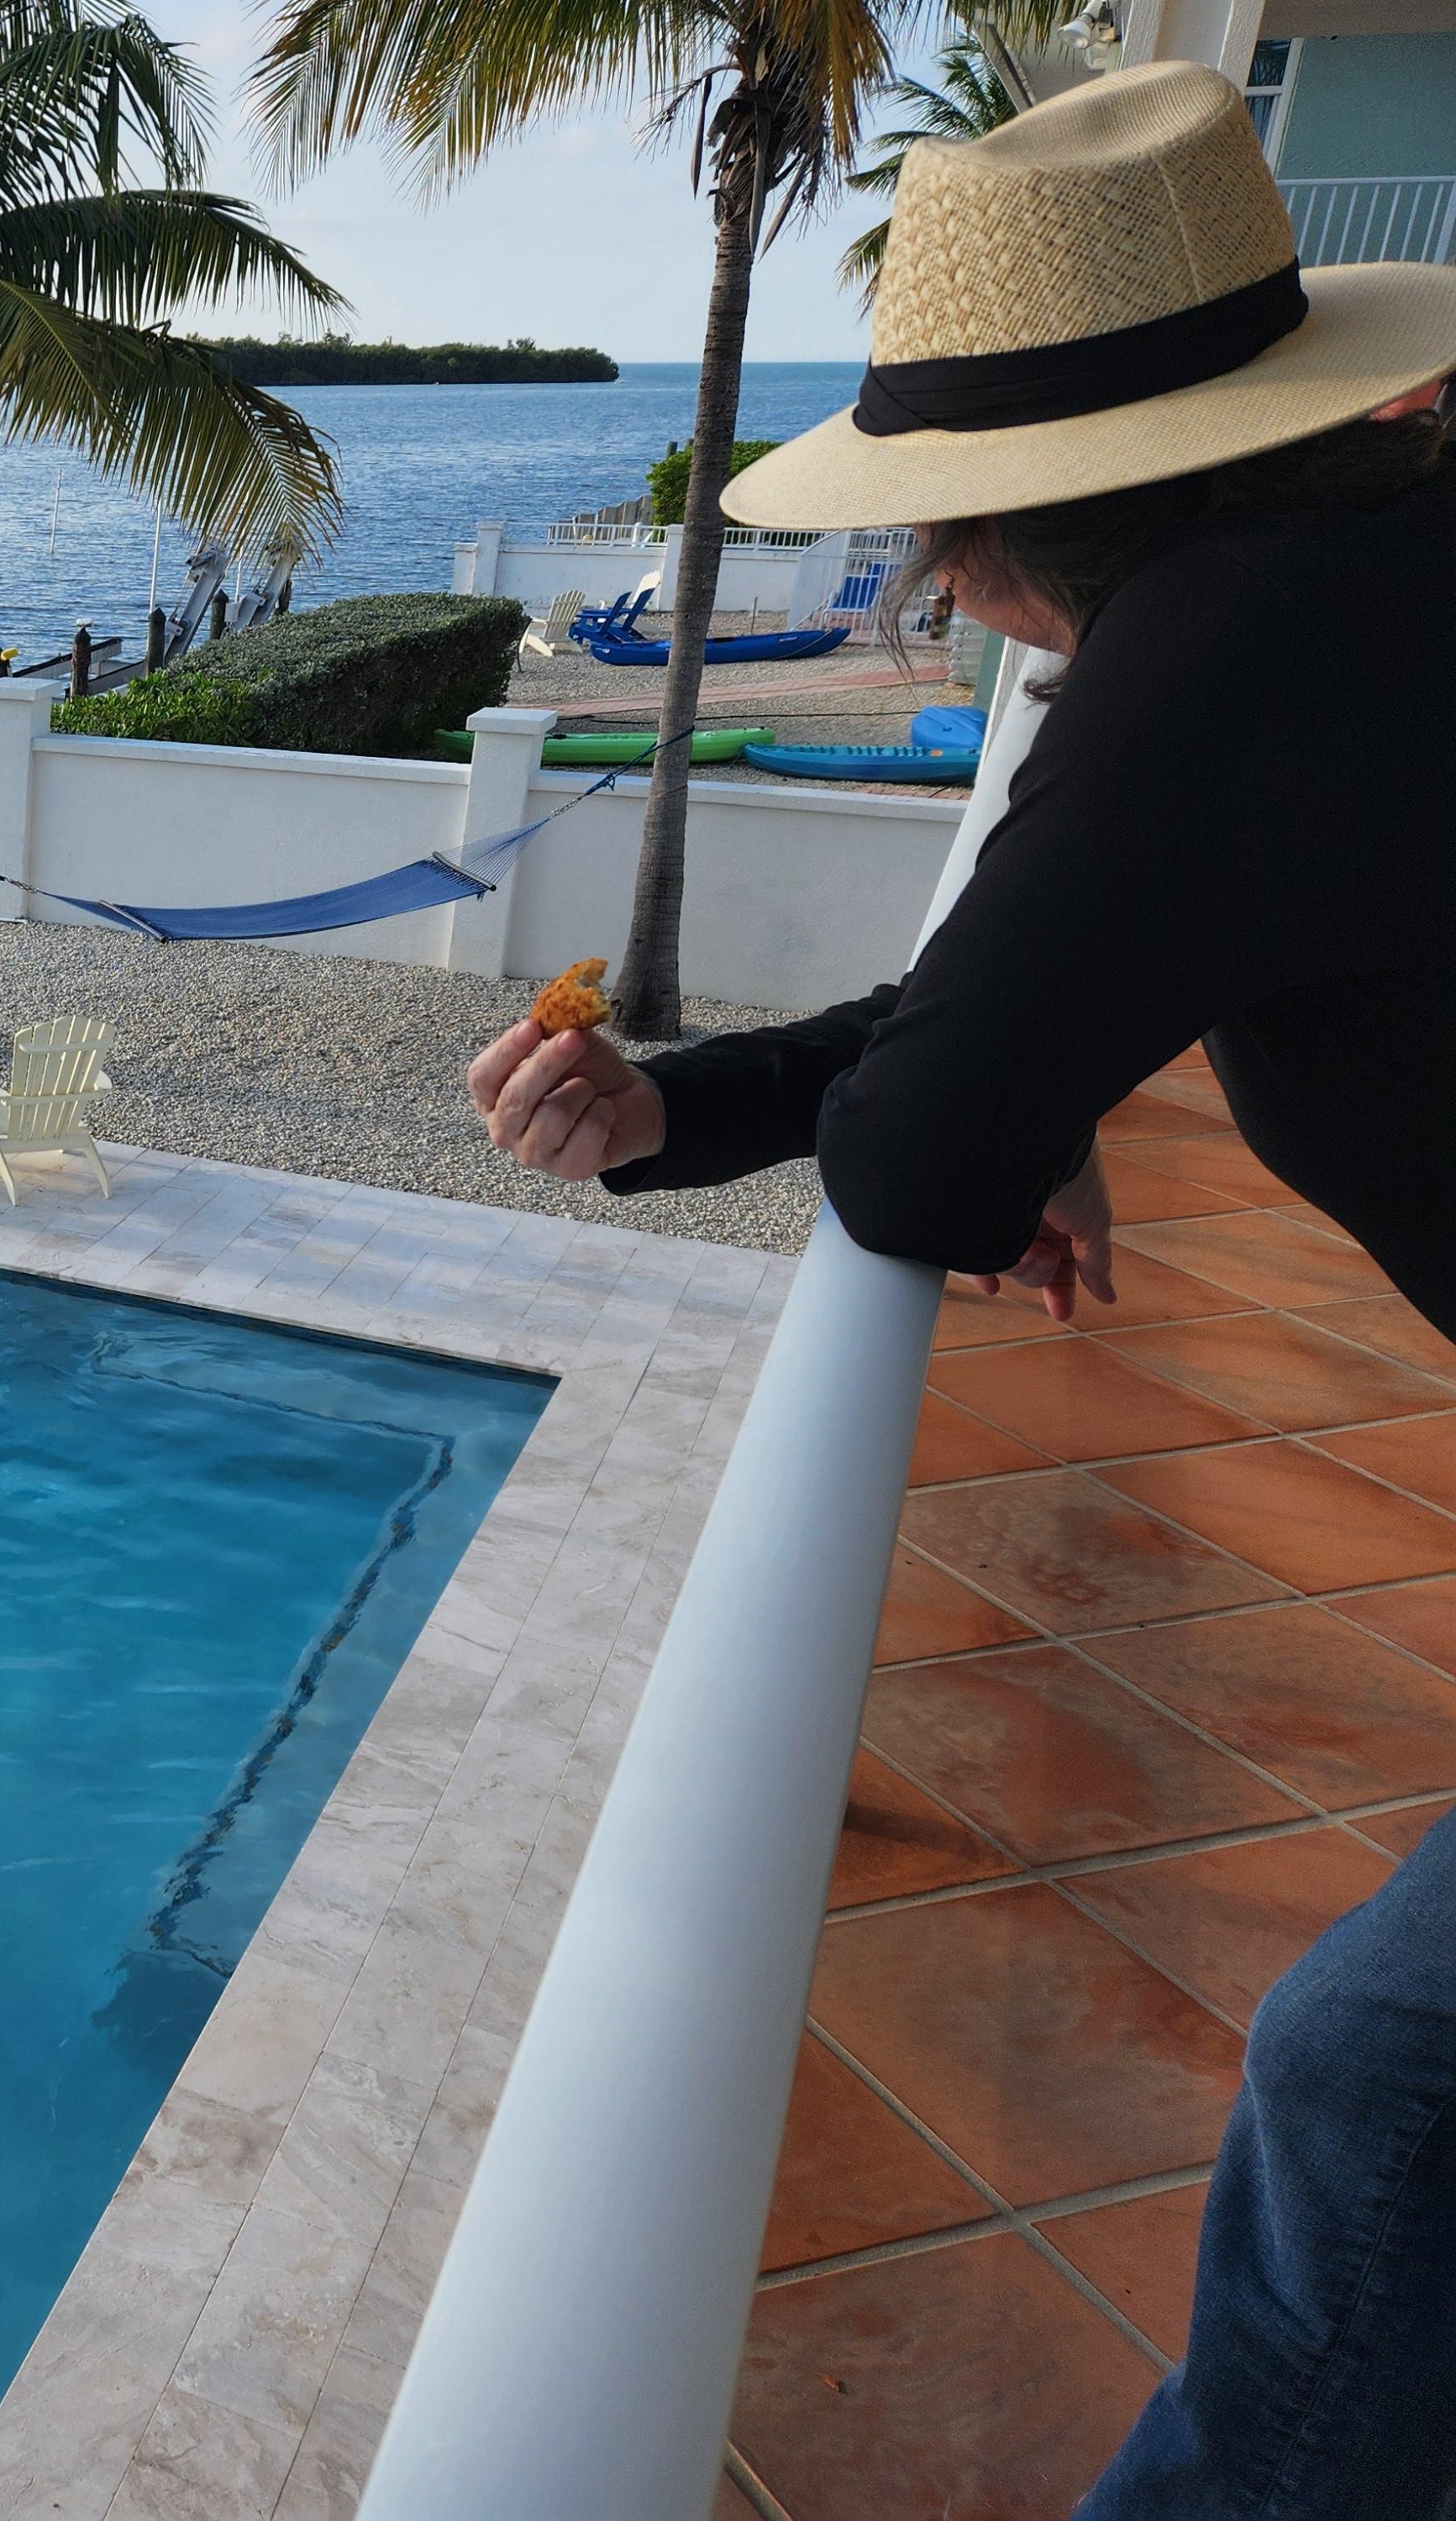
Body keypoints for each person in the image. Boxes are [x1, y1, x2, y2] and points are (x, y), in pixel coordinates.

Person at [465, 64, 1456, 2519]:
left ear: (1024, 507)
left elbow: (927, 1134)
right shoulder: (1350, 577)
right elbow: (1003, 1014)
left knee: (1377, 2083)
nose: (929, 586)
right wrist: (674, 1110)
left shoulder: (1220, 650)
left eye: (935, 532)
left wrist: (989, 1109)